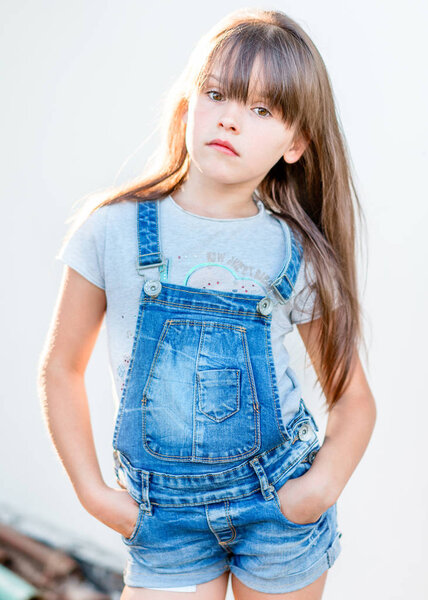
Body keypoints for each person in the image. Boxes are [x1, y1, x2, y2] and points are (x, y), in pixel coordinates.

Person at [37, 8, 377, 600]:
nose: (231, 119)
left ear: (296, 143)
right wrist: (94, 493)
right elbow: (61, 369)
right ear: (186, 105)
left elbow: (353, 400)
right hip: (163, 520)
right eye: (217, 93)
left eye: (262, 109)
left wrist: (316, 491)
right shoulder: (110, 230)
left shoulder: (295, 253)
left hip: (277, 509)